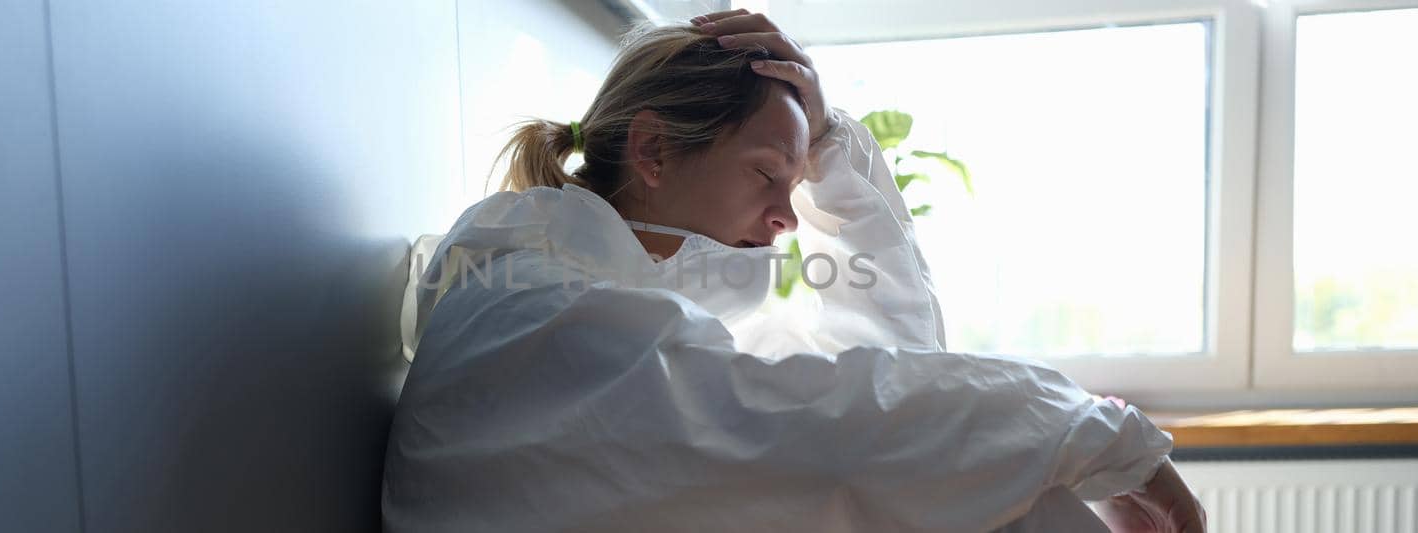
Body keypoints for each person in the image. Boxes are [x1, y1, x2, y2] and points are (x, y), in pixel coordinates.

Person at [384, 9, 1206, 532]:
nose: (786, 216)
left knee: (982, 495)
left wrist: (827, 144)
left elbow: (895, 361)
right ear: (654, 150)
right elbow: (832, 431)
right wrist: (1093, 430)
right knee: (1014, 509)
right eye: (766, 174)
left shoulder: (594, 288)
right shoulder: (535, 310)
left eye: (795, 180)